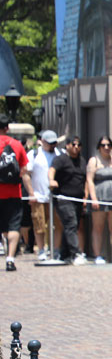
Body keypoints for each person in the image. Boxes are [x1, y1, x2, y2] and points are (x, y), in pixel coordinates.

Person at [85, 135, 112, 264]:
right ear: (99, 147)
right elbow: (89, 180)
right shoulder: (94, 161)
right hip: (100, 196)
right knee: (98, 227)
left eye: (109, 145)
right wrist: (93, 198)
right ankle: (98, 255)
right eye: (103, 145)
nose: (106, 147)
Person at [49, 136, 88, 265]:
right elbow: (52, 170)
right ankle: (76, 253)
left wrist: (85, 197)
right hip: (63, 198)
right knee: (70, 223)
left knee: (73, 226)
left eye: (79, 145)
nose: (76, 147)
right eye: (73, 144)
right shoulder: (61, 159)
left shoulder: (82, 161)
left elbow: (85, 180)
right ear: (67, 146)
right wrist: (51, 180)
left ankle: (65, 254)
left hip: (77, 198)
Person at [25, 130, 63, 260]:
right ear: (43, 142)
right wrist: (31, 193)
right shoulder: (34, 154)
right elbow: (26, 174)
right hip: (39, 195)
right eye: (50, 143)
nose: (53, 146)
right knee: (39, 224)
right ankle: (41, 249)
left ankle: (56, 249)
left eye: (54, 143)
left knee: (58, 225)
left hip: (56, 197)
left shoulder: (60, 154)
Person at [0, 115, 29, 271]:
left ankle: (5, 248)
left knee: (5, 228)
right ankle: (10, 258)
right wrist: (31, 192)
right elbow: (24, 171)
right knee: (13, 227)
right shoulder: (17, 145)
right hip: (14, 193)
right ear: (7, 128)